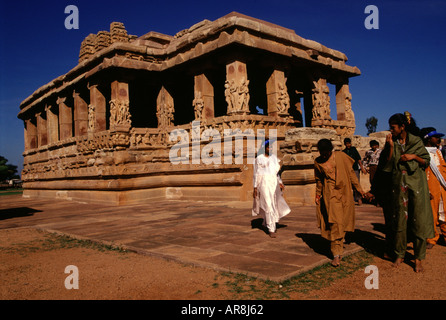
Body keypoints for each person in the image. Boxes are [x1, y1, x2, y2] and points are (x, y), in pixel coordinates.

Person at [382, 113, 434, 272]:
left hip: (416, 185)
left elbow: (426, 161)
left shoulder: (416, 141)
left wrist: (413, 156)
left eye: (393, 127)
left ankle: (418, 258)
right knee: (400, 221)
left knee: (418, 220)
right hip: (399, 186)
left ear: (402, 127)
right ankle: (400, 254)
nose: (391, 130)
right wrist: (390, 147)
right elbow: (388, 166)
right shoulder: (393, 143)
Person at [314, 139, 365, 267]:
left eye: (326, 152)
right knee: (335, 222)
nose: (324, 155)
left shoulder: (341, 156)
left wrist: (358, 189)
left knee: (343, 222)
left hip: (345, 193)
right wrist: (318, 194)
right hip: (330, 195)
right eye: (322, 153)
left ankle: (339, 245)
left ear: (331, 149)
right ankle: (336, 253)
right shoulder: (318, 162)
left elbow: (351, 173)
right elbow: (319, 180)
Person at [252, 140, 290, 238]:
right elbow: (256, 174)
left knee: (273, 203)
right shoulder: (258, 159)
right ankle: (271, 228)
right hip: (263, 183)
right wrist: (255, 187)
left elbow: (275, 173)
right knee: (268, 204)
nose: (270, 149)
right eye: (268, 147)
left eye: (271, 147)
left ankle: (266, 222)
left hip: (273, 183)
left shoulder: (274, 158)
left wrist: (280, 182)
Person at [420, 127, 446, 249]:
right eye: (436, 137)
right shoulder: (423, 153)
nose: (439, 139)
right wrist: (426, 189)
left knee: (444, 213)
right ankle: (431, 238)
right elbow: (422, 174)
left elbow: (443, 169)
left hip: (442, 188)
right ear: (429, 139)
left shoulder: (438, 152)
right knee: (431, 214)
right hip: (431, 187)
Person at [343, 138, 367, 205]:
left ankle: (359, 198)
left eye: (349, 143)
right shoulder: (344, 152)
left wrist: (362, 168)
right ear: (345, 144)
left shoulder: (353, 150)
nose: (348, 145)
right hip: (347, 169)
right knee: (348, 184)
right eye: (347, 143)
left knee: (357, 183)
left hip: (355, 169)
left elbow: (358, 159)